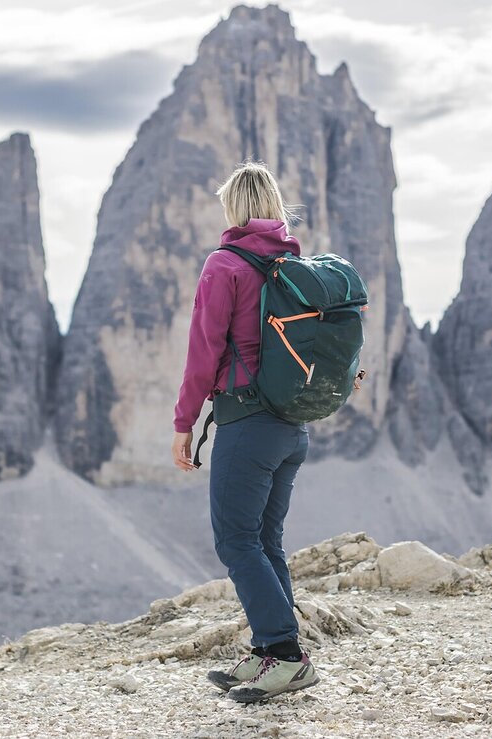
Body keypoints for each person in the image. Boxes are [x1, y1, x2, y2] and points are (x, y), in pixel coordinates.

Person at [171, 161, 319, 703]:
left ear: (232, 207)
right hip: (291, 423)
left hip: (246, 421)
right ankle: (269, 653)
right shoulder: (293, 262)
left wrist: (184, 423)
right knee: (265, 540)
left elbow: (202, 351)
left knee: (236, 540)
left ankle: (285, 655)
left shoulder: (225, 265)